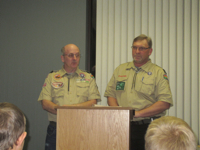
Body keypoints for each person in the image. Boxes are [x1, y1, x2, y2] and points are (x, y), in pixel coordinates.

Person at [104, 34, 173, 150]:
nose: (137, 51)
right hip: (121, 126)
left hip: (148, 127)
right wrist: (120, 113)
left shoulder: (158, 72)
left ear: (150, 51)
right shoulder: (120, 69)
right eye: (134, 48)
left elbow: (164, 102)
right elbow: (111, 94)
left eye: (141, 48)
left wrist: (136, 114)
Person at [38, 44, 101, 150]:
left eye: (77, 55)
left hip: (82, 128)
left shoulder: (88, 77)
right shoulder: (52, 77)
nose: (75, 58)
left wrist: (71, 109)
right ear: (63, 58)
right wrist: (65, 112)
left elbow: (92, 102)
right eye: (71, 55)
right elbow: (45, 103)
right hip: (56, 129)